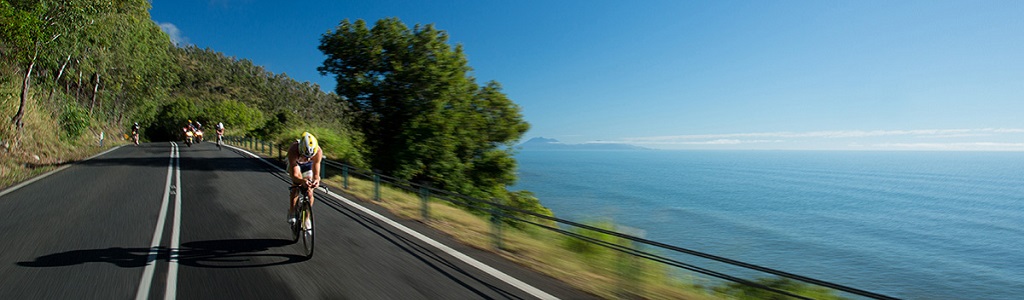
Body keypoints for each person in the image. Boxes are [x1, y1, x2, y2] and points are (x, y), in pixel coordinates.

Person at [286, 132, 323, 225]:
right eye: (305, 156)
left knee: (310, 191)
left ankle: (306, 218)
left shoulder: (318, 151)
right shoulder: (293, 150)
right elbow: (295, 175)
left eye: (311, 157)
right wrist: (302, 181)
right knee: (296, 185)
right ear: (300, 149)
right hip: (296, 164)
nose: (308, 159)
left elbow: (316, 173)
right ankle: (292, 211)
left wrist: (316, 181)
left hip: (308, 167)